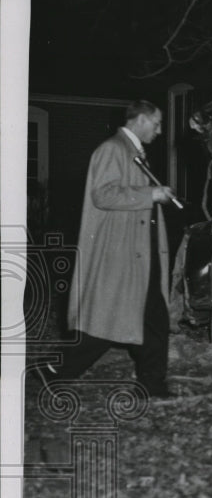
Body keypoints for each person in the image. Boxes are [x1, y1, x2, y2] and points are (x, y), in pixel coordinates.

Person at [41, 100, 176, 397]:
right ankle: (53, 369)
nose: (160, 130)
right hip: (123, 252)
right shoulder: (112, 150)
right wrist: (150, 193)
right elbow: (103, 194)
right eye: (156, 123)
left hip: (141, 251)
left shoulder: (132, 151)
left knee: (152, 316)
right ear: (140, 120)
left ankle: (151, 383)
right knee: (107, 322)